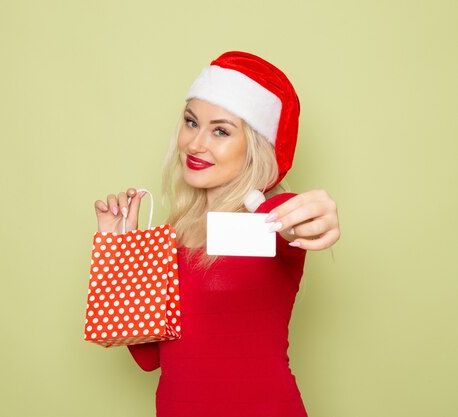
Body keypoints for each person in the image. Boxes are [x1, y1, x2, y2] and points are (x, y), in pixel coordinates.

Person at [93, 51, 340, 416]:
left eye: (220, 131)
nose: (196, 144)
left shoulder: (270, 219)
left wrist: (319, 216)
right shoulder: (170, 236)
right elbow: (150, 360)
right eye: (191, 122)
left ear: (254, 147)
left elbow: (298, 224)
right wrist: (122, 255)